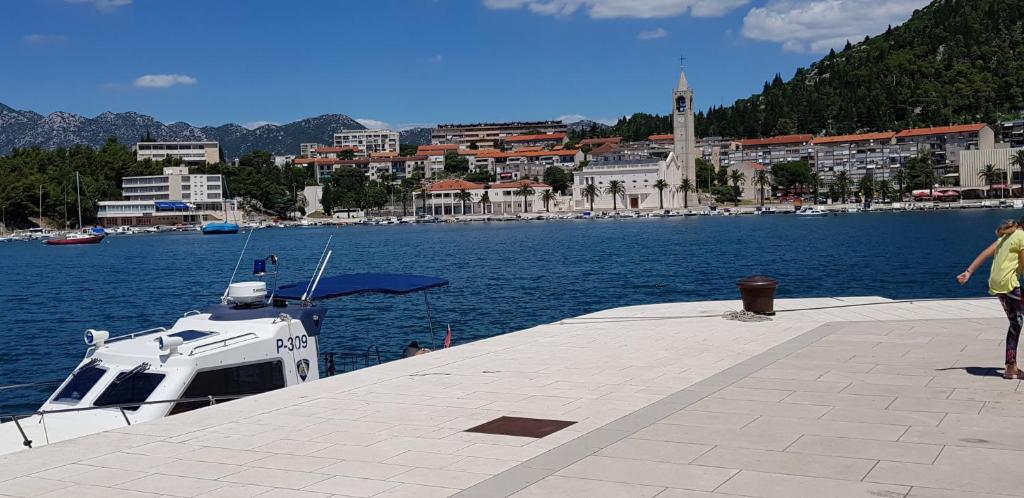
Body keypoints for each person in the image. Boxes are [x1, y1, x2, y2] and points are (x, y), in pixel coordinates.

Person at [958, 219, 1024, 379]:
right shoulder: (1022, 237)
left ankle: (1010, 368)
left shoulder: (1009, 235)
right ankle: (1010, 366)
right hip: (1009, 284)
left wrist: (968, 272)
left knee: (1016, 323)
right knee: (1017, 322)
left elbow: (985, 253)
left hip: (997, 284)